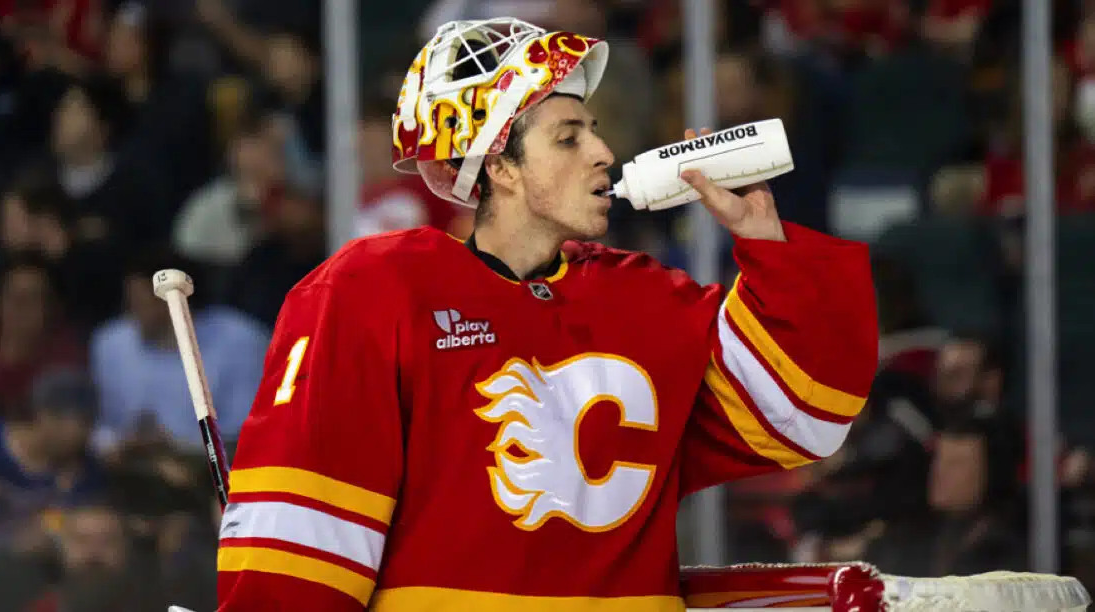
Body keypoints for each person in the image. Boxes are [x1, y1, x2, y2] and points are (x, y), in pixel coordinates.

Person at [215, 18, 877, 611]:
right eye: (568, 138)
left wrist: (768, 251)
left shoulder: (648, 300)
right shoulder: (376, 291)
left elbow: (807, 417)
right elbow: (304, 542)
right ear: (499, 167)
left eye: (591, 130)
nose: (602, 152)